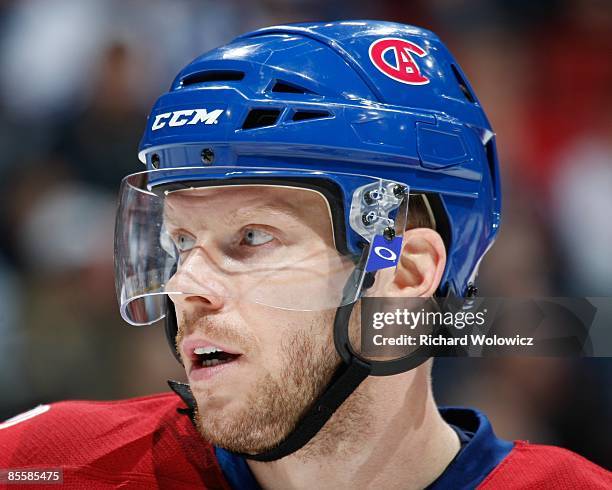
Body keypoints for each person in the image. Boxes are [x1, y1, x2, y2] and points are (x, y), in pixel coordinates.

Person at [1, 21, 610, 489]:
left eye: (251, 238)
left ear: (403, 270)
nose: (184, 285)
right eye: (180, 243)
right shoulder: (42, 466)